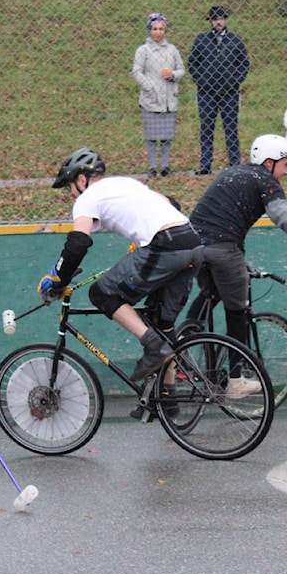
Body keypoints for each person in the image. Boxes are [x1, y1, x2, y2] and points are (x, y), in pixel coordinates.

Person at [37, 148, 203, 415]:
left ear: (82, 179)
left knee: (103, 295)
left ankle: (152, 345)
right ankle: (168, 400)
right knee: (163, 322)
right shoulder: (126, 183)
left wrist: (57, 278)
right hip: (193, 243)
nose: (70, 194)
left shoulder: (86, 198)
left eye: (70, 186)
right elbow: (172, 204)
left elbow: (78, 242)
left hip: (164, 246)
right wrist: (143, 239)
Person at [187, 134, 287, 397]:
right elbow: (284, 219)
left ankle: (184, 344)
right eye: (285, 164)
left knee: (210, 294)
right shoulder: (265, 180)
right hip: (223, 248)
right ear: (268, 162)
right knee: (236, 309)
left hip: (192, 246)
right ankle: (236, 380)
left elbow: (217, 220)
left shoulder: (233, 174)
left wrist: (242, 262)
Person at [188, 5, 250, 175]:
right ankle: (205, 164)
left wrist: (234, 81)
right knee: (206, 128)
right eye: (215, 19)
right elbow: (193, 63)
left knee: (231, 127)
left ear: (226, 20)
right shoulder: (201, 40)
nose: (218, 22)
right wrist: (202, 81)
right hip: (206, 93)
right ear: (210, 22)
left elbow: (244, 64)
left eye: (221, 19)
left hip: (229, 93)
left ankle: (234, 163)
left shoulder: (235, 40)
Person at [132, 11, 185, 178]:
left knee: (167, 136)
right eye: (155, 29)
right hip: (151, 100)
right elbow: (137, 71)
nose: (158, 32)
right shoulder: (143, 51)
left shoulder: (172, 50)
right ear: (150, 30)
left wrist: (174, 75)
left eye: (161, 29)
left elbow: (181, 69)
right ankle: (153, 166)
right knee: (152, 136)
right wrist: (149, 87)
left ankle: (165, 166)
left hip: (169, 99)